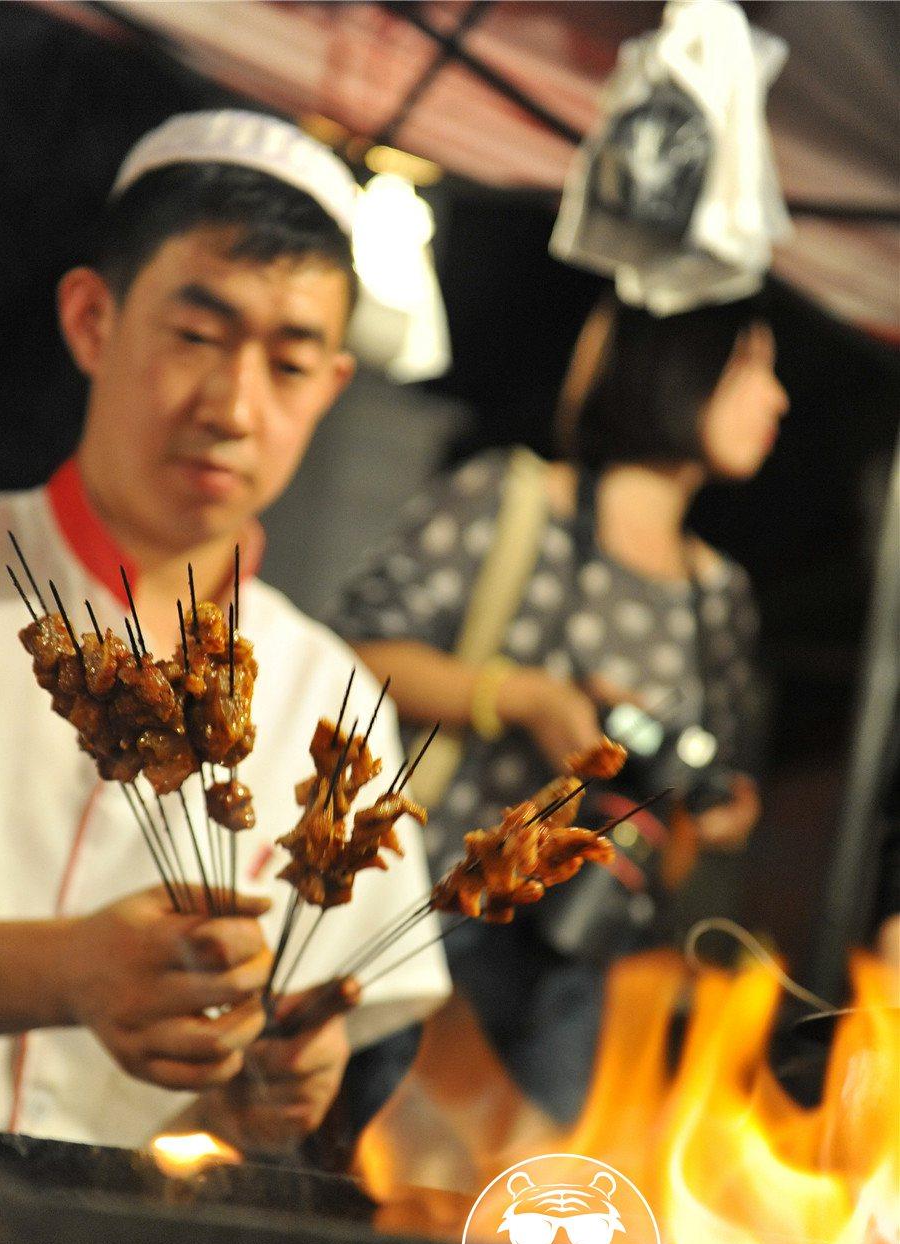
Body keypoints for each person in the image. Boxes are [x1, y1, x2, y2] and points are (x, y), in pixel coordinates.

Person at [0, 110, 449, 1174]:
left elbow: (292, 1072)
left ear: (333, 386)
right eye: (197, 336)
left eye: (289, 365)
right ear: (93, 319)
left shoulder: (328, 695)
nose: (232, 406)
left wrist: (273, 1089)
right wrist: (67, 969)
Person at [329, 292, 788, 1118]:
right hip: (434, 917)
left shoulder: (718, 592)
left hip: (586, 958)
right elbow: (352, 656)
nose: (778, 397)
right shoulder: (511, 501)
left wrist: (715, 812)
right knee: (350, 1182)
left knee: (523, 1225)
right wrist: (523, 698)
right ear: (677, 368)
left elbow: (716, 783)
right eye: (753, 366)